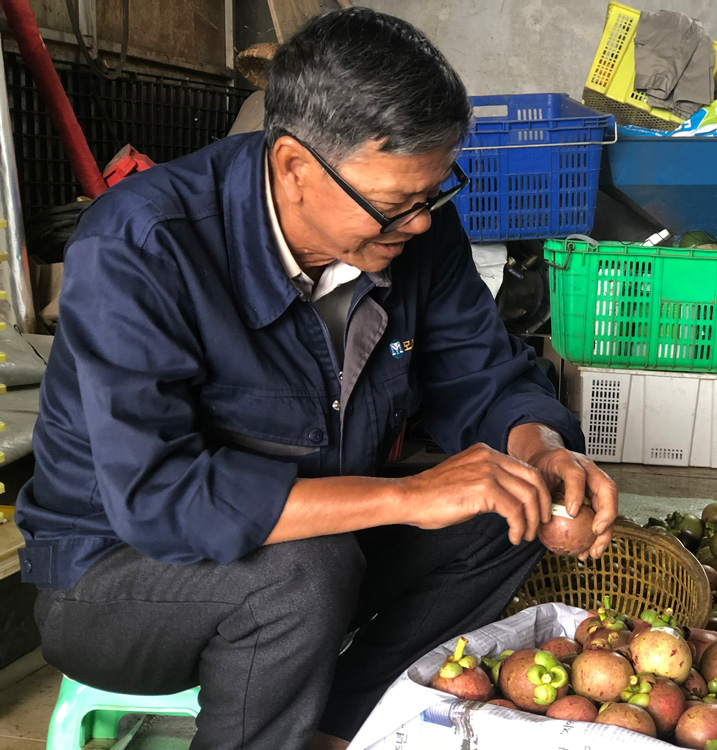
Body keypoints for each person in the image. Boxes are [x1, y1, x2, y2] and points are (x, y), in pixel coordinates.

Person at [14, 8, 617, 750]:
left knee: (509, 502)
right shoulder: (142, 245)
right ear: (294, 167)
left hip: (326, 550)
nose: (420, 224)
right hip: (117, 579)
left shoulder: (413, 231)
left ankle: (341, 727)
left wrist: (542, 448)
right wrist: (407, 497)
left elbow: (483, 373)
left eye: (433, 195)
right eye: (395, 206)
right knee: (302, 572)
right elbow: (160, 498)